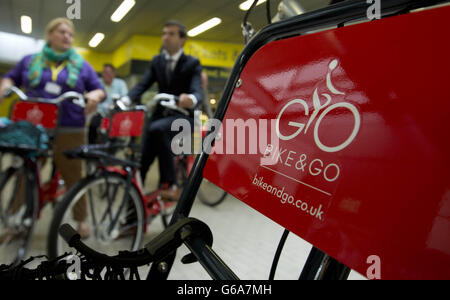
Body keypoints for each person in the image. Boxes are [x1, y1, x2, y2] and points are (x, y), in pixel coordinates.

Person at [0, 17, 105, 238]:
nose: (67, 36)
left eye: (70, 34)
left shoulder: (82, 65)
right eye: (62, 32)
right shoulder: (29, 61)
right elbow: (10, 78)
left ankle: (81, 219)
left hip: (69, 126)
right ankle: (14, 219)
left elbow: (98, 88)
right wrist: (6, 87)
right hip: (34, 126)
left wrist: (94, 96)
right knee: (25, 171)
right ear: (49, 35)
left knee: (73, 173)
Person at [127, 20, 203, 200]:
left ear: (182, 39)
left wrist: (190, 99)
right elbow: (143, 84)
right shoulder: (157, 61)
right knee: (142, 159)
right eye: (164, 34)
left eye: (171, 34)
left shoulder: (192, 63)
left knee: (158, 129)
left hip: (183, 117)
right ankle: (133, 215)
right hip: (160, 116)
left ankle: (172, 184)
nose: (165, 37)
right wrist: (126, 99)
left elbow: (197, 90)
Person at [88, 63, 128, 144]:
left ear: (113, 74)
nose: (104, 75)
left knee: (115, 132)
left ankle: (112, 147)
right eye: (103, 72)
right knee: (93, 125)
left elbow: (125, 97)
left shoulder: (121, 83)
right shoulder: (98, 83)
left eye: (107, 72)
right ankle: (91, 148)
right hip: (100, 113)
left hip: (115, 115)